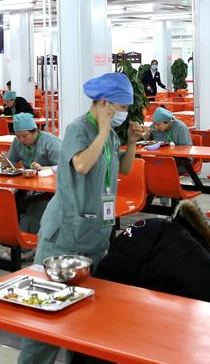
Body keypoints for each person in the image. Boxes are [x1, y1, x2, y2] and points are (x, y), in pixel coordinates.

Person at [17, 72, 143, 364]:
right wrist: (101, 132)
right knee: (47, 315)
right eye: (120, 108)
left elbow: (122, 170)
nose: (124, 114)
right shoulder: (79, 129)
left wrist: (132, 142)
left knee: (85, 313)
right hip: (66, 234)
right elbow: (83, 165)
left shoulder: (110, 134)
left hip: (95, 232)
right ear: (102, 103)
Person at [4, 113, 62, 235]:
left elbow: (65, 167)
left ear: (35, 131)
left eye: (25, 136)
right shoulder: (17, 142)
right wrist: (5, 163)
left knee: (35, 208)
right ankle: (12, 234)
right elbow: (11, 164)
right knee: (10, 204)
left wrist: (44, 168)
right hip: (28, 185)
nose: (21, 140)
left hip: (51, 188)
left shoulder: (50, 142)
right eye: (18, 136)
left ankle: (29, 239)